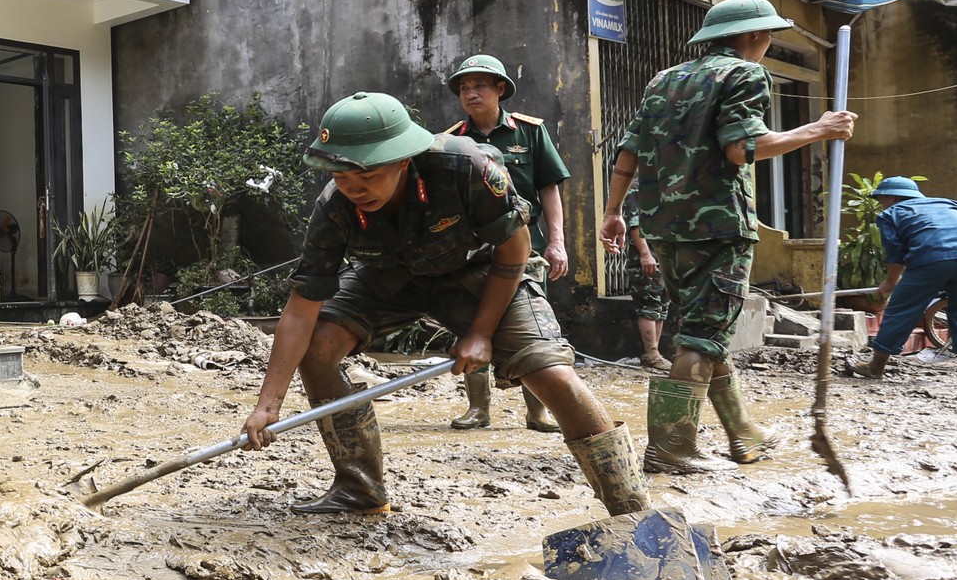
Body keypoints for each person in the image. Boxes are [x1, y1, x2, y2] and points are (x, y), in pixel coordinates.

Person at [241, 92, 650, 522]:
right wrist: (269, 403)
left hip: (484, 269)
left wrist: (480, 334)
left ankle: (633, 513)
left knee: (552, 373)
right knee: (319, 346)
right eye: (341, 177)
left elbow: (515, 249)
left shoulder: (466, 166)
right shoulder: (334, 206)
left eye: (366, 175)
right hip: (388, 277)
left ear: (402, 160)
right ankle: (360, 489)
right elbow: (302, 306)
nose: (353, 189)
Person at [600, 0, 856, 473]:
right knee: (701, 336)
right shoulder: (745, 73)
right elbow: (743, 148)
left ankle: (743, 432)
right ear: (755, 36)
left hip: (664, 226)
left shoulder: (664, 79)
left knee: (701, 330)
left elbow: (628, 153)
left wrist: (614, 211)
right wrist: (819, 130)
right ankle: (670, 448)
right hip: (719, 225)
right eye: (770, 35)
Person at [441, 53, 572, 432]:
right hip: (474, 252)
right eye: (465, 88)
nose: (471, 93)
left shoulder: (530, 132)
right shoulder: (452, 140)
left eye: (479, 85)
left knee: (535, 326)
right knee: (471, 322)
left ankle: (538, 411)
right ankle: (478, 408)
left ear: (500, 89)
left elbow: (549, 188)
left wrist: (558, 242)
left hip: (526, 248)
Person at [854, 175, 957, 384]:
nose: (880, 204)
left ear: (892, 197)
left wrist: (890, 282)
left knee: (901, 310)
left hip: (930, 258)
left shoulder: (891, 214)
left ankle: (875, 367)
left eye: (881, 199)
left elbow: (895, 253)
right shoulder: (951, 204)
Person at [624, 191, 673, 373]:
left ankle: (655, 353)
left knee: (661, 306)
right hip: (647, 259)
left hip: (664, 257)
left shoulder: (663, 185)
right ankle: (651, 353)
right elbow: (635, 226)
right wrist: (645, 254)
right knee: (649, 305)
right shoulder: (639, 189)